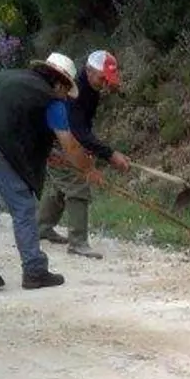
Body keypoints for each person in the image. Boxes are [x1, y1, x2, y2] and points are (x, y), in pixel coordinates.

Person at [0, 52, 100, 291]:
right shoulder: (51, 99)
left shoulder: (10, 78)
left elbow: (17, 125)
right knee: (23, 205)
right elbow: (71, 146)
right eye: (66, 90)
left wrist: (48, 153)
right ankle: (34, 270)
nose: (66, 97)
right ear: (59, 83)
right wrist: (88, 169)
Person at [38, 50, 131, 259]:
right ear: (89, 71)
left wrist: (91, 149)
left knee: (60, 184)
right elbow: (78, 132)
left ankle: (42, 227)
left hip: (64, 138)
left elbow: (84, 127)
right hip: (57, 140)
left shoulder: (91, 88)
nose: (105, 84)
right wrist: (110, 155)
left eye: (108, 80)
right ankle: (78, 242)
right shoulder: (75, 92)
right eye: (102, 79)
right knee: (78, 184)